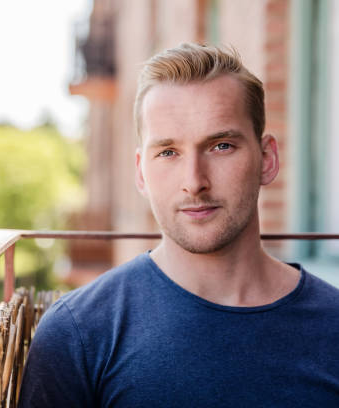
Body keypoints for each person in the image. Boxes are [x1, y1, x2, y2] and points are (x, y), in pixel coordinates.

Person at [18, 43, 339, 407]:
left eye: (221, 146)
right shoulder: (78, 334)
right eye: (168, 152)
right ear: (141, 172)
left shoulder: (334, 325)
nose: (194, 181)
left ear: (266, 159)